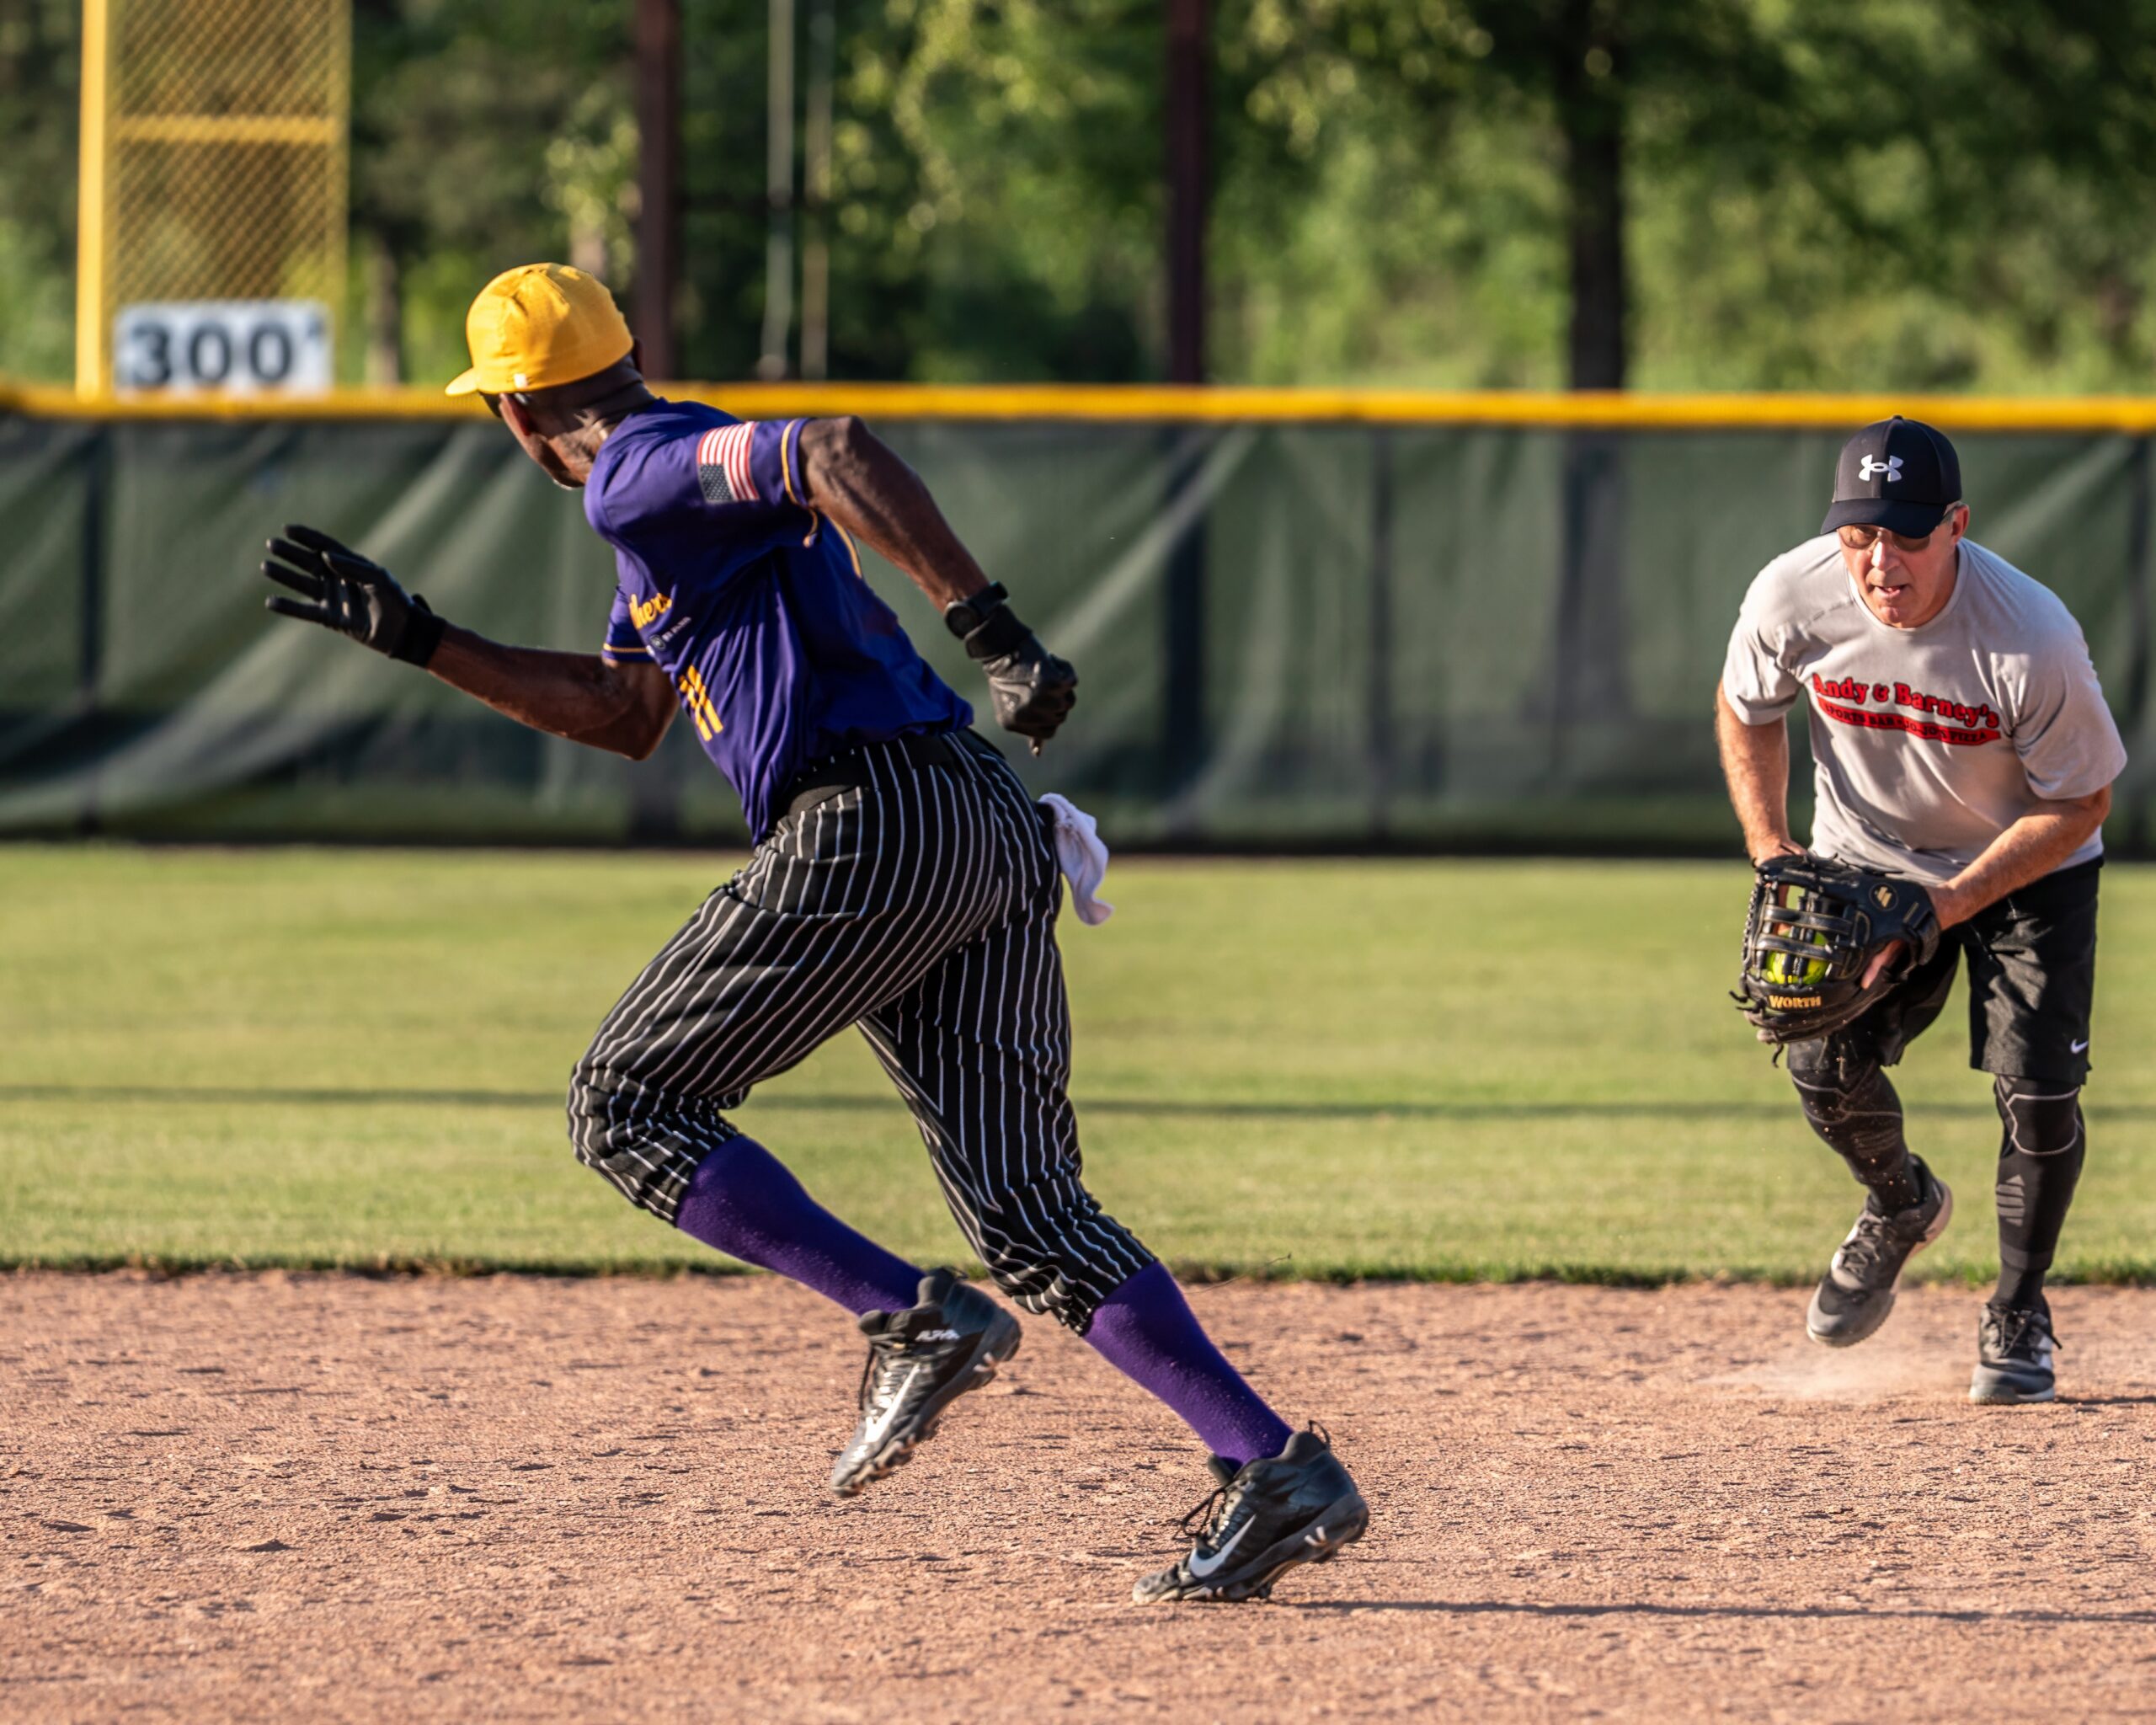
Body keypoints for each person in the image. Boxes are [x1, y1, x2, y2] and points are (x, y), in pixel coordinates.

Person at [254, 262, 1366, 1602]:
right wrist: (423, 637)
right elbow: (620, 712)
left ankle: (913, 1319)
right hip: (978, 824)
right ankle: (1272, 1466)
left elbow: (833, 448)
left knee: (625, 1102)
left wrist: (994, 632)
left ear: (516, 412)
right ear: (625, 356)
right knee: (1031, 1211)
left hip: (874, 820)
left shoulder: (630, 474)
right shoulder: (662, 509)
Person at [1717, 415, 2126, 1403]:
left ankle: (2018, 1309)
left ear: (1956, 525)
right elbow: (1746, 705)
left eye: (1906, 534)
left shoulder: (2028, 635)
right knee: (1818, 1058)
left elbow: (2081, 803)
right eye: (1860, 535)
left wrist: (1947, 903)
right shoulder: (1792, 592)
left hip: (2026, 860)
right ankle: (1900, 1203)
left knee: (2037, 1093)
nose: (1880, 561)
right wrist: (1771, 846)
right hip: (1864, 854)